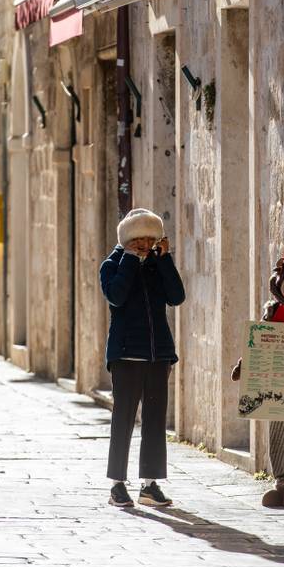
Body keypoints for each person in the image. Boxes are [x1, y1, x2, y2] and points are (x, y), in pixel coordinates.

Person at [100, 208, 186, 508]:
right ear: (128, 240)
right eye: (140, 239)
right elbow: (117, 296)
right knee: (122, 419)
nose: (146, 245)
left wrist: (165, 259)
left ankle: (150, 485)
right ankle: (117, 484)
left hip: (158, 354)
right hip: (126, 355)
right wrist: (128, 259)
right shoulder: (112, 265)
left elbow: (176, 296)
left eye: (151, 239)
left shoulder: (157, 265)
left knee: (154, 420)